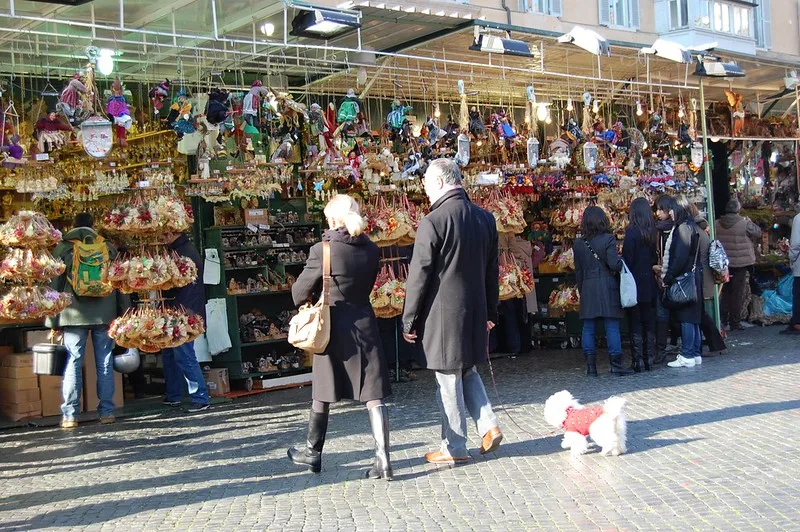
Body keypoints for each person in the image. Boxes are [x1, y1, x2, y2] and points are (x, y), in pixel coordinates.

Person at [402, 158, 502, 464]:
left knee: (448, 378)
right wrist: (491, 312)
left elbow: (419, 275)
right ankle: (488, 426)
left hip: (442, 315)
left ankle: (455, 447)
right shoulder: (485, 219)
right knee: (467, 370)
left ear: (441, 183)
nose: (426, 192)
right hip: (475, 309)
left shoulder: (433, 221)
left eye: (427, 186)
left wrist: (409, 319)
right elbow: (491, 271)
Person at [287, 194, 392, 479]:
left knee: (322, 392)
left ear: (333, 219)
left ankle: (312, 454)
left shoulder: (323, 250)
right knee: (373, 394)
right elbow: (369, 285)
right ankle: (383, 459)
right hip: (364, 323)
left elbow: (299, 291)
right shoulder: (371, 249)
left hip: (331, 326)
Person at [46, 213, 129, 430]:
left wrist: (52, 321)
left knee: (73, 361)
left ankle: (70, 415)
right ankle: (107, 412)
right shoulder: (107, 247)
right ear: (93, 226)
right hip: (105, 313)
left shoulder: (63, 248)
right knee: (105, 361)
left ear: (73, 226)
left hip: (73, 314)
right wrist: (124, 312)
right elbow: (119, 281)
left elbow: (54, 286)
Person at [574, 206, 632, 376]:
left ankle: (591, 368)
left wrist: (582, 289)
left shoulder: (578, 244)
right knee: (612, 327)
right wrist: (622, 264)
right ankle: (616, 366)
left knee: (588, 328)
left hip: (588, 287)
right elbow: (614, 263)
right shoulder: (608, 239)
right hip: (607, 285)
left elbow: (578, 271)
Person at [161, 232, 210, 413]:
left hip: (184, 311)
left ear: (175, 233)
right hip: (182, 309)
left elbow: (182, 284)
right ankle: (174, 395)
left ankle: (200, 397)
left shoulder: (183, 254)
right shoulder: (182, 250)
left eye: (166, 233)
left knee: (184, 354)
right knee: (171, 353)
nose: (163, 236)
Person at [656, 197, 704, 368]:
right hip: (693, 277)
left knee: (686, 318)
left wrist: (668, 277)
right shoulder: (692, 226)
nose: (670, 212)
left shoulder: (682, 229)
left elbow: (679, 257)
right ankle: (695, 353)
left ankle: (687, 354)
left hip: (684, 278)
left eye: (672, 209)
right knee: (693, 318)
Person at [677, 197, 726, 355]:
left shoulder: (693, 231)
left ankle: (715, 344)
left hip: (699, 278)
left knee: (700, 314)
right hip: (703, 276)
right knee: (700, 314)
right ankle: (715, 344)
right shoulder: (701, 228)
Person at [621, 198, 659, 372]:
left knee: (635, 321)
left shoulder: (632, 232)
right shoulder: (652, 232)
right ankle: (649, 358)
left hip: (634, 281)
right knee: (649, 320)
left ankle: (637, 361)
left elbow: (628, 258)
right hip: (649, 281)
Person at [714, 198, 761, 332]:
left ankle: (722, 318)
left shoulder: (717, 223)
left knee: (725, 291)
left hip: (723, 263)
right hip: (741, 263)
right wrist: (749, 221)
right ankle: (735, 321)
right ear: (738, 209)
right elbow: (758, 232)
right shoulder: (745, 223)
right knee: (737, 293)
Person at [783, 210, 800, 334]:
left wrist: (791, 258)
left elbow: (795, 244)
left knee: (798, 294)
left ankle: (797, 323)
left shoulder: (798, 219)